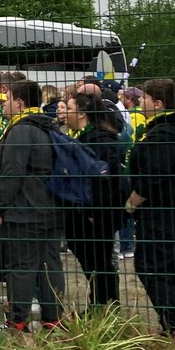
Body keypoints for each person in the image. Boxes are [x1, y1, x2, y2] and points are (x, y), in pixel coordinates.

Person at [125, 78, 175, 335]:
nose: (140, 102)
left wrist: (130, 204)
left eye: (145, 98)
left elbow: (153, 177)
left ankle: (172, 324)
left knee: (151, 265)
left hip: (165, 209)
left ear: (158, 103)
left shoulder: (164, 133)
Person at [0, 79, 65, 333]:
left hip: (23, 213)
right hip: (50, 210)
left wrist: (0, 208)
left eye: (7, 99)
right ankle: (52, 320)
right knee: (49, 266)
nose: (4, 104)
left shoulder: (21, 130)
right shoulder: (50, 126)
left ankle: (17, 322)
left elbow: (12, 173)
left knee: (21, 268)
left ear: (19, 102)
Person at [63, 91, 125, 309]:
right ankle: (100, 305)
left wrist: (92, 212)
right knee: (95, 264)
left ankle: (105, 306)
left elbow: (103, 180)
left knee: (100, 263)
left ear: (81, 113)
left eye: (69, 109)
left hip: (96, 215)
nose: (65, 114)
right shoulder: (87, 138)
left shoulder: (100, 141)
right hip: (87, 213)